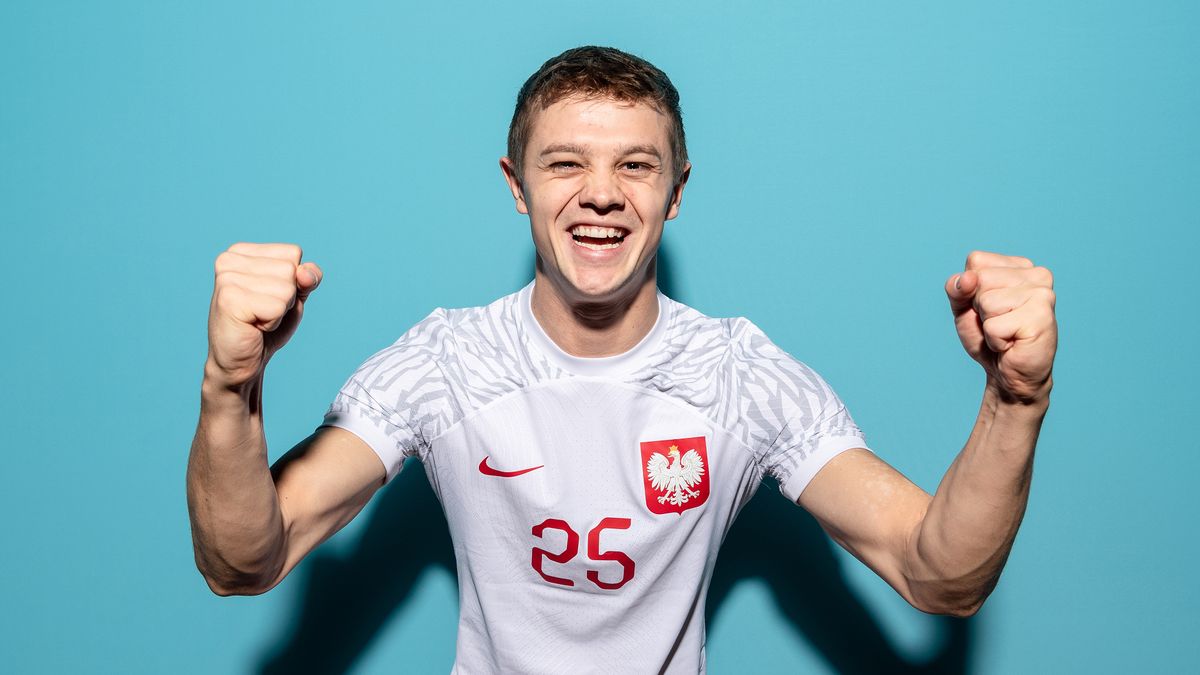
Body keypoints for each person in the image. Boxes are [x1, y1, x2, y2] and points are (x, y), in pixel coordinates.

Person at [187, 46, 1057, 673]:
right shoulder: (445, 361)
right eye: (565, 162)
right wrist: (232, 388)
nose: (600, 191)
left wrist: (1015, 402)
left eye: (635, 165)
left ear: (676, 191)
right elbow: (245, 560)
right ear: (516, 183)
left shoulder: (739, 376)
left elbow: (936, 573)